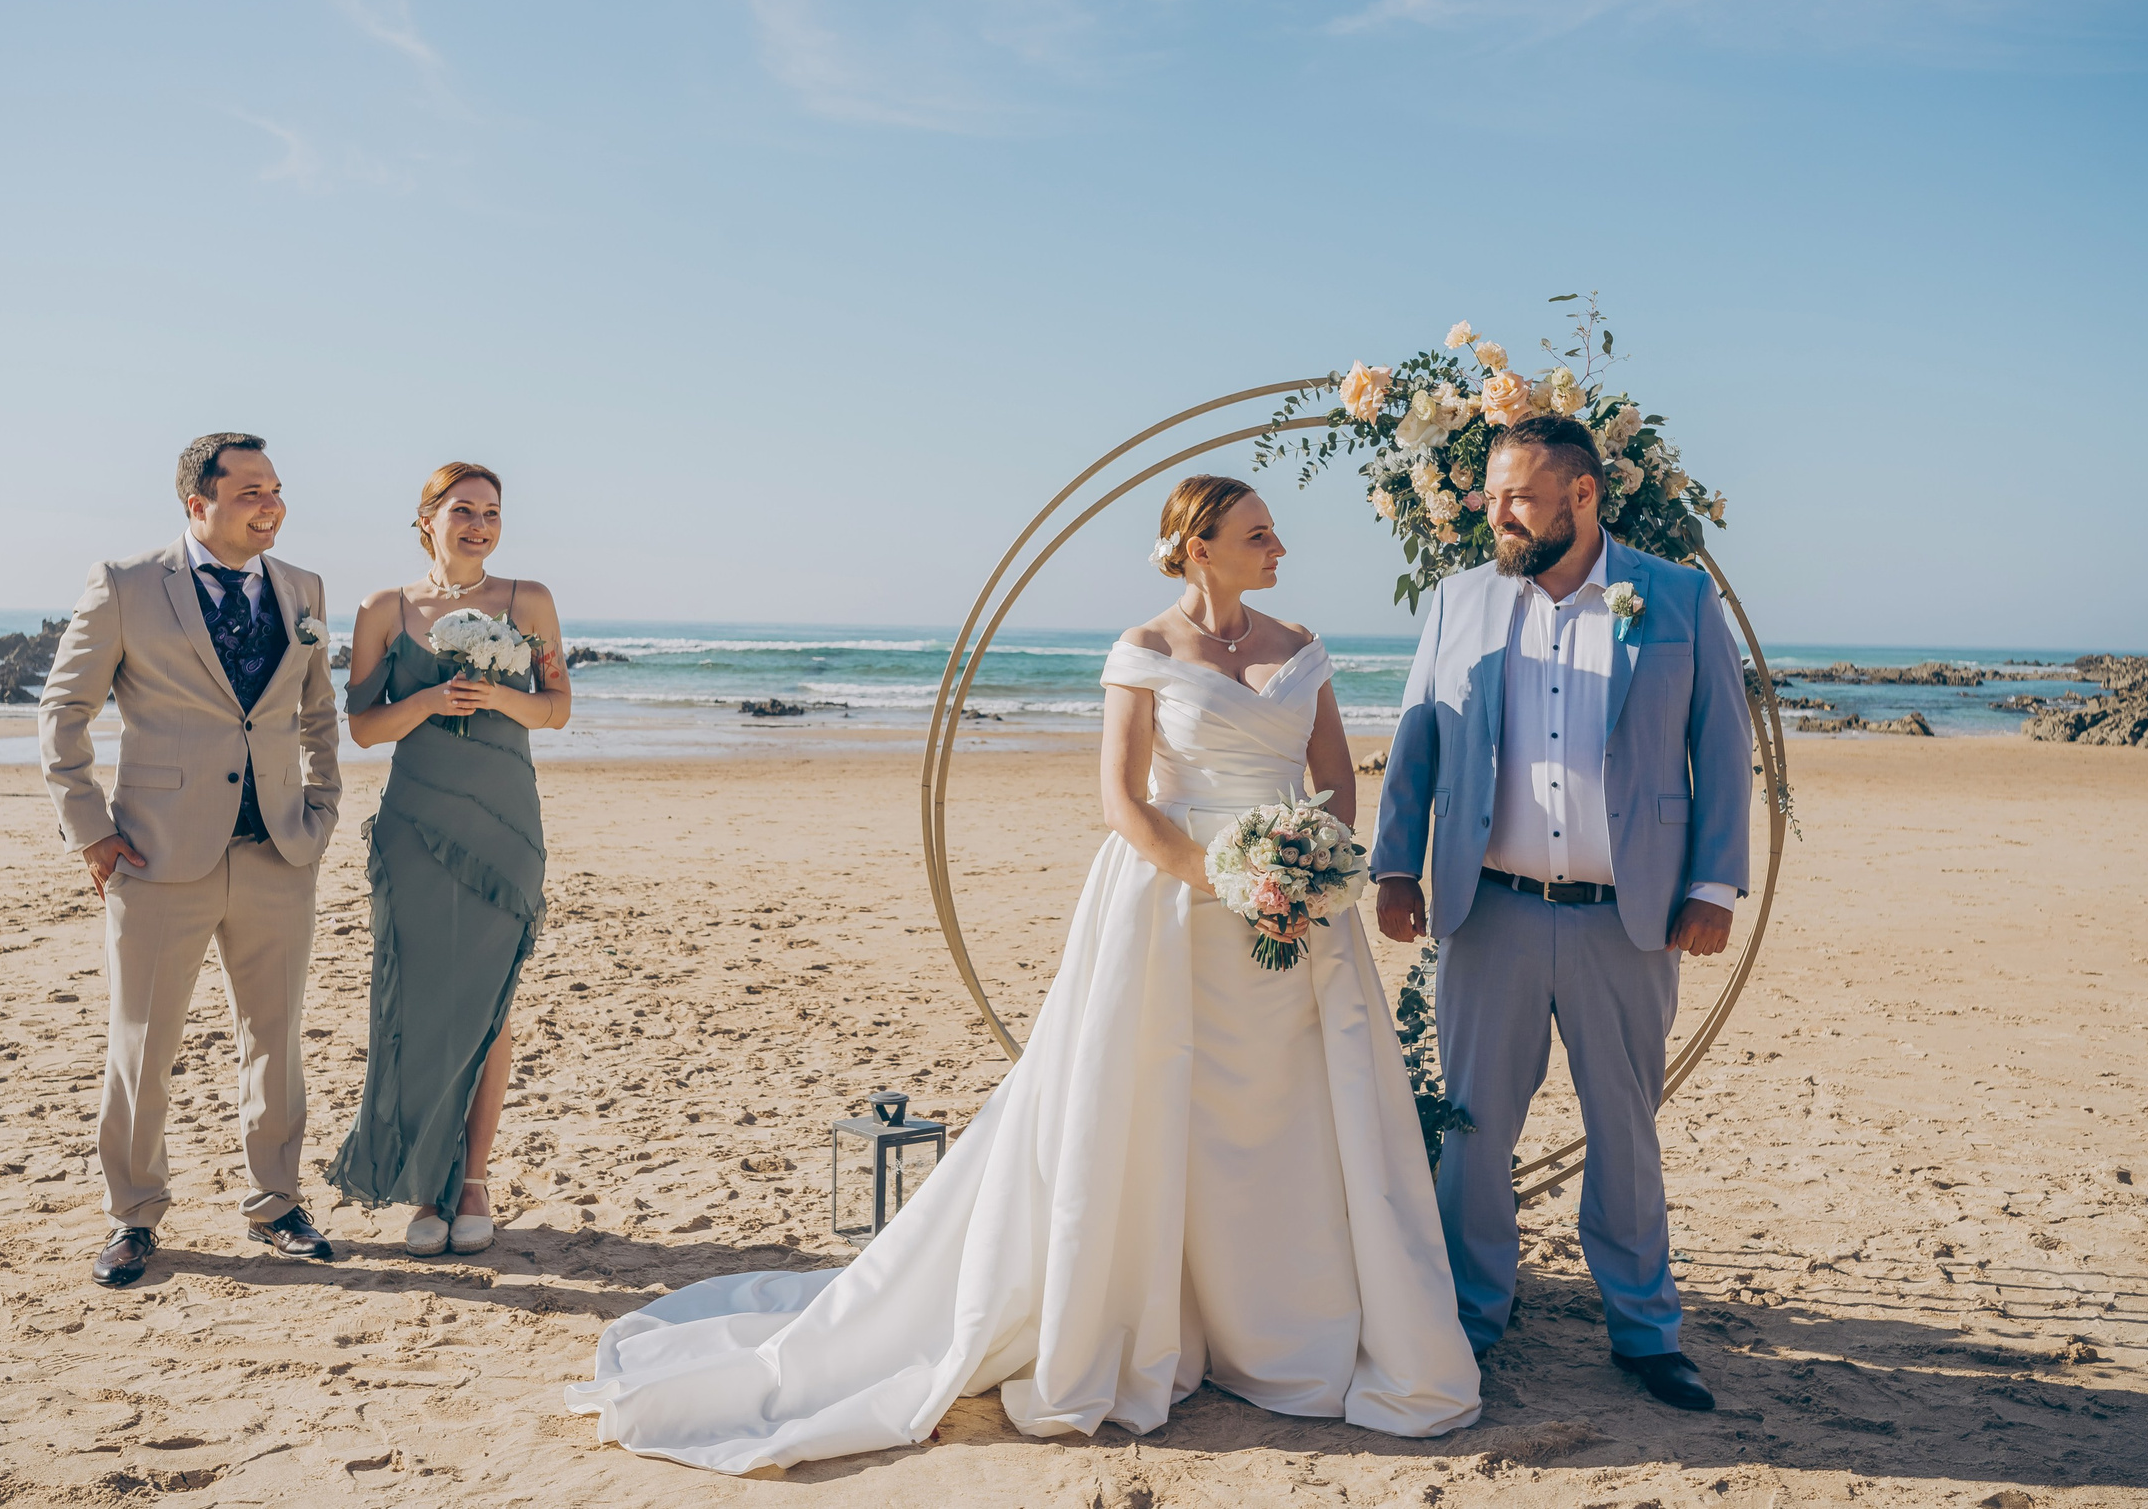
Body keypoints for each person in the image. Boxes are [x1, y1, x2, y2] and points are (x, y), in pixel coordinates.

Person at [563, 474, 1479, 1474]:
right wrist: (1227, 883)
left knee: (1293, 1119)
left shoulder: (1298, 644)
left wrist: (1310, 860)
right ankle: (1154, 1324)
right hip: (1175, 911)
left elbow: (1338, 774)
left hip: (1301, 917)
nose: (1279, 549)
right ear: (1197, 546)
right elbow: (1124, 802)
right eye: (1258, 534)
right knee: (1155, 1111)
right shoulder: (1143, 652)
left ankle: (1282, 1328)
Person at [1372, 413, 1753, 1413]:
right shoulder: (1458, 599)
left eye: (1519, 497)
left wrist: (1712, 887)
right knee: (1472, 1129)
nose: (1495, 513)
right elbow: (1418, 735)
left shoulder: (1674, 596)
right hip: (1485, 911)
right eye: (1492, 494)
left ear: (1582, 496)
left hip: (1624, 920)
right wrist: (1394, 869)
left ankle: (1644, 1332)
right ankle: (1468, 1319)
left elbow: (1719, 744)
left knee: (1622, 1130)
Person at [37, 433, 344, 1288]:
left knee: (275, 1040)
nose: (270, 503)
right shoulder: (128, 584)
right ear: (196, 502)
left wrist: (319, 812)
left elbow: (317, 713)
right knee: (142, 1042)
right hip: (157, 854)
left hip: (279, 851)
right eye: (250, 490)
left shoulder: (304, 589)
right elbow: (64, 712)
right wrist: (90, 830)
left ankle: (277, 1201)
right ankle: (133, 1215)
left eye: (276, 489)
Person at [326, 463, 568, 1256]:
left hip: (504, 826)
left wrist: (498, 695)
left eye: (492, 512)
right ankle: (424, 1184)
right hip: (415, 825)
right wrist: (430, 700)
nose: (479, 524)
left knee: (489, 1005)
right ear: (426, 517)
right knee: (416, 1002)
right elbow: (362, 727)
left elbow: (557, 708)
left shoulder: (526, 600)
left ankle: (472, 1180)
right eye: (463, 510)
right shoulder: (382, 609)